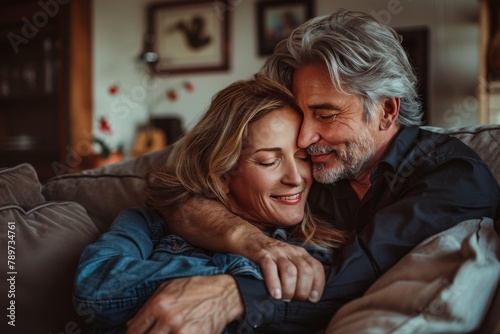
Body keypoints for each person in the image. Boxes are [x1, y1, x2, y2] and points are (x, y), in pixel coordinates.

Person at [123, 8, 500, 333]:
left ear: (386, 111)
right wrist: (251, 240)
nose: (304, 137)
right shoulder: (313, 168)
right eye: (302, 115)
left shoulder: (453, 178)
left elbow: (358, 272)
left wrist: (234, 296)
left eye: (325, 114)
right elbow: (181, 192)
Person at [73, 74, 347, 333]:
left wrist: (233, 292)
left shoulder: (316, 245)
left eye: (301, 157)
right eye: (269, 161)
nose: (296, 177)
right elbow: (95, 289)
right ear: (223, 174)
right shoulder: (148, 222)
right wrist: (229, 281)